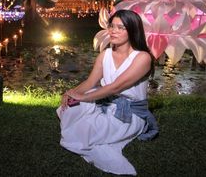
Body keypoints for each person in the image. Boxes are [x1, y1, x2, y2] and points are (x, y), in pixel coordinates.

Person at [56, 9, 158, 176]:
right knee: (70, 106)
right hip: (105, 101)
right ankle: (84, 124)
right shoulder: (105, 55)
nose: (113, 31)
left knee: (83, 129)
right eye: (111, 26)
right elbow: (90, 82)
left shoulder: (142, 58)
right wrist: (71, 93)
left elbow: (116, 87)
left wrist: (83, 96)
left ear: (132, 30)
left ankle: (87, 130)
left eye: (120, 27)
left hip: (128, 113)